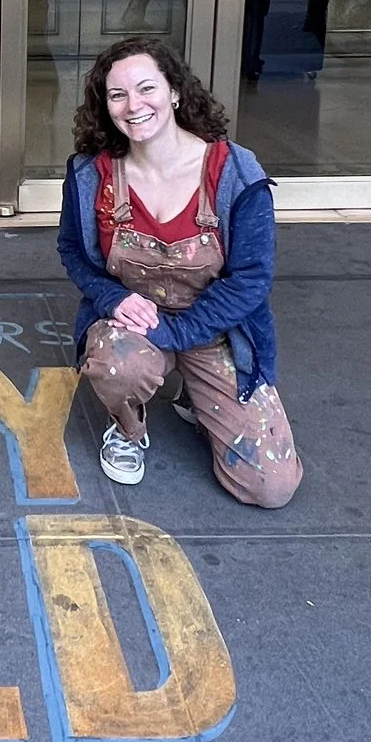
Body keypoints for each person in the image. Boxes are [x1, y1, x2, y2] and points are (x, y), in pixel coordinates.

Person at [57, 34, 302, 506]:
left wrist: (181, 332)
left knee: (270, 487)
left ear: (174, 91)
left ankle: (194, 391)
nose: (133, 105)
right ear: (104, 105)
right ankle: (127, 428)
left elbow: (251, 279)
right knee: (117, 365)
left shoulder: (235, 173)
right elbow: (72, 251)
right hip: (133, 323)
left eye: (146, 88)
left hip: (215, 329)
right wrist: (113, 298)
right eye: (117, 94)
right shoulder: (93, 174)